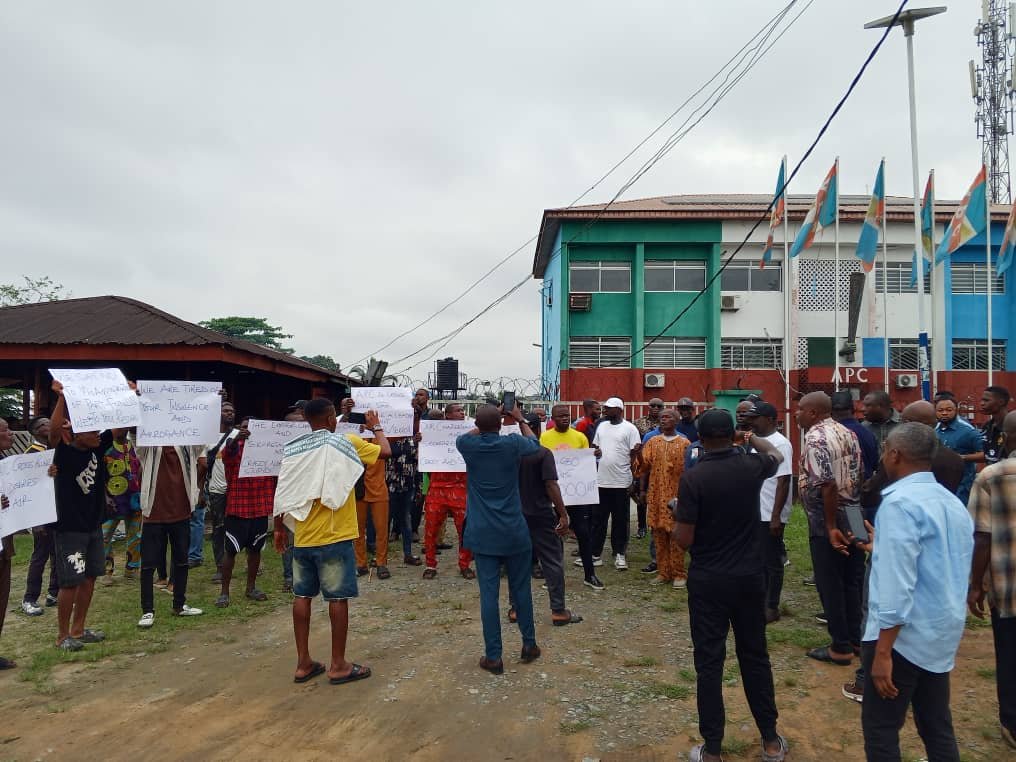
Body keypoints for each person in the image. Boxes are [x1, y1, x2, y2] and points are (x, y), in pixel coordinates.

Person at [675, 409, 788, 762]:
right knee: (755, 656)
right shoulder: (751, 467)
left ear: (701, 437)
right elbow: (777, 455)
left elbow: (683, 539)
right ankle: (770, 740)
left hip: (709, 580)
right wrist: (748, 437)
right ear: (733, 434)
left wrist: (678, 512)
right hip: (750, 578)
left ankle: (712, 749)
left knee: (709, 663)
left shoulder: (694, 478)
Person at [858, 423, 973, 761]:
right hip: (940, 631)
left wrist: (882, 654)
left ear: (895, 454)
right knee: (936, 725)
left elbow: (897, 586)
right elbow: (939, 561)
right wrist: (883, 548)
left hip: (900, 640)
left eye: (885, 451)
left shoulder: (900, 505)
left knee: (881, 730)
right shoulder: (950, 503)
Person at [273, 399, 388, 685]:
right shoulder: (345, 442)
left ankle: (303, 663)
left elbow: (284, 485)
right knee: (337, 598)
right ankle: (338, 664)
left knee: (302, 596)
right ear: (330, 418)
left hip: (302, 534)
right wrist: (376, 427)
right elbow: (385, 451)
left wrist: (278, 527)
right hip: (335, 536)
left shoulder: (295, 447)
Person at [456, 404, 543, 674]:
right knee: (521, 591)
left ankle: (493, 656)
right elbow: (535, 444)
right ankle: (529, 645)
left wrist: (487, 421)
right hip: (514, 531)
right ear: (502, 423)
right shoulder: (513, 443)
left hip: (483, 533)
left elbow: (469, 435)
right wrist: (517, 419)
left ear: (479, 425)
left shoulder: (467, 445)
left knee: (489, 597)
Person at [797, 391, 864, 667]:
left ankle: (841, 647)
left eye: (800, 409)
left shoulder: (815, 438)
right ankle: (856, 637)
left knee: (830, 581)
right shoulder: (849, 432)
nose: (796, 413)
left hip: (831, 519)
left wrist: (830, 526)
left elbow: (827, 485)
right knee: (854, 578)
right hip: (855, 512)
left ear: (813, 412)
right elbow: (858, 474)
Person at [967, 409, 1016, 749]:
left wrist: (974, 585)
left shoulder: (992, 476)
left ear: (1007, 437)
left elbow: (982, 537)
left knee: (1009, 655)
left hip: (1007, 586)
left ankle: (1011, 723)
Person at [48, 380, 109, 651]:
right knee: (70, 581)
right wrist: (61, 398)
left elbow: (119, 426)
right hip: (69, 526)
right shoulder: (62, 454)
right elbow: (52, 431)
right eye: (92, 429)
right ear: (76, 433)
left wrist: (131, 397)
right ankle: (63, 636)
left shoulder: (97, 446)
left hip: (93, 525)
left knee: (90, 577)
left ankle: (79, 629)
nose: (98, 433)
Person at [512, 424, 581, 627]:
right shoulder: (543, 453)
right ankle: (558, 610)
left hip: (516, 514)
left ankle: (516, 609)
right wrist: (563, 514)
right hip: (541, 514)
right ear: (537, 431)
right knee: (552, 561)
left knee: (517, 562)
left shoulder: (510, 454)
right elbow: (551, 484)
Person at [136, 434, 206, 627]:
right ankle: (147, 611)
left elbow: (202, 438)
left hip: (181, 512)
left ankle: (179, 605)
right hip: (153, 513)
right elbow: (135, 437)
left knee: (181, 561)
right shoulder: (149, 445)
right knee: (149, 565)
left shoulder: (185, 445)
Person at [541, 404, 603, 591]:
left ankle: (589, 574)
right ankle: (553, 577)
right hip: (555, 495)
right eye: (560, 416)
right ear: (553, 418)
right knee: (555, 537)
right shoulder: (545, 437)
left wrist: (594, 455)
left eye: (567, 415)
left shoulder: (580, 437)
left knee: (583, 534)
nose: (565, 419)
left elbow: (586, 462)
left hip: (577, 495)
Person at [744, 402, 793, 623]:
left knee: (771, 561)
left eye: (756, 418)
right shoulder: (756, 443)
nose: (751, 421)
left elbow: (783, 481)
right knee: (756, 559)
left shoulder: (780, 444)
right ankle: (758, 599)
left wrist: (776, 517)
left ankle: (771, 606)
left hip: (769, 512)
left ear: (771, 419)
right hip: (755, 510)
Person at [634, 408, 689, 589]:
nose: (664, 420)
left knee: (675, 535)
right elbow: (641, 468)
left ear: (677, 420)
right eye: (661, 418)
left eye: (668, 417)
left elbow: (689, 473)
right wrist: (636, 456)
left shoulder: (684, 444)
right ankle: (663, 572)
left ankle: (679, 573)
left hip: (676, 497)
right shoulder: (653, 442)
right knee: (658, 534)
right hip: (656, 496)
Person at [422, 403, 475, 580]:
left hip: (460, 488)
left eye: (463, 410)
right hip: (437, 488)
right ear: (448, 415)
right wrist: (420, 441)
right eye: (458, 411)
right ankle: (430, 564)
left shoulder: (470, 432)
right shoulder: (434, 432)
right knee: (431, 528)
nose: (462, 413)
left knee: (464, 529)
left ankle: (464, 564)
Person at [591, 397, 641, 571]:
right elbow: (595, 448)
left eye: (609, 408)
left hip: (621, 482)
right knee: (599, 520)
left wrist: (634, 481)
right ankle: (595, 555)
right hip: (602, 481)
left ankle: (620, 554)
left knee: (620, 521)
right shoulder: (602, 426)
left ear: (619, 410)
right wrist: (596, 452)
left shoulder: (630, 428)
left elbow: (635, 457)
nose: (605, 410)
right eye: (605, 407)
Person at [21, 416, 58, 615]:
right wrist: (36, 519)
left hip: (58, 510)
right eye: (45, 424)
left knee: (57, 554)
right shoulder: (32, 454)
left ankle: (54, 592)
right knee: (40, 555)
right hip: (41, 513)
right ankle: (30, 598)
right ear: (36, 431)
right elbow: (29, 487)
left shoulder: (56, 449)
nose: (51, 425)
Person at [99, 427, 142, 585]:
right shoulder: (105, 448)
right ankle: (106, 571)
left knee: (135, 535)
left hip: (133, 498)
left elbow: (141, 469)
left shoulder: (134, 446)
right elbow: (99, 474)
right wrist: (104, 496)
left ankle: (132, 568)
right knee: (104, 536)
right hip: (111, 500)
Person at [199, 399, 235, 582]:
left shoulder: (238, 435)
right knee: (219, 529)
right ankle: (220, 567)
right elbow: (202, 464)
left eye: (232, 411)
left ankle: (249, 562)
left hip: (236, 491)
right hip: (216, 490)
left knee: (239, 527)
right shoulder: (208, 436)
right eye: (226, 410)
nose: (230, 413)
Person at [387, 397, 423, 568]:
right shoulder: (388, 436)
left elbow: (419, 462)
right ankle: (381, 558)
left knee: (406, 519)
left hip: (408, 484)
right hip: (390, 483)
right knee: (385, 520)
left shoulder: (417, 438)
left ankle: (408, 554)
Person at [934, 397, 982, 505]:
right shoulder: (935, 430)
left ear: (956, 411)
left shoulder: (968, 431)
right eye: (940, 410)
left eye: (949, 410)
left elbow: (985, 454)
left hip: (962, 486)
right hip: (939, 485)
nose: (944, 413)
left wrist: (961, 457)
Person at [632, 398, 664, 540]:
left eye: (659, 406)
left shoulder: (666, 422)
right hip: (643, 463)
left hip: (661, 464)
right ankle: (641, 527)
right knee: (641, 496)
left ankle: (656, 524)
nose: (656, 408)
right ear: (648, 407)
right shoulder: (638, 423)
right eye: (653, 405)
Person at [830, 391, 879, 480]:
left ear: (830, 411)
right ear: (853, 409)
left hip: (838, 489)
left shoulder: (829, 434)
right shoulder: (868, 434)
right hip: (865, 487)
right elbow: (875, 464)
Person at [1, 419, 18, 668]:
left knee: (2, 598)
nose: (10, 433)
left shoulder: (8, 464)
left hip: (4, 543)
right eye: (4, 430)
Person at [977, 385, 1011, 466]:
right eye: (982, 400)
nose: (982, 403)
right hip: (992, 476)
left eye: (986, 400)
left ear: (1001, 402)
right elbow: (987, 455)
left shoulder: (1012, 426)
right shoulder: (987, 426)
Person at [862, 390, 901, 454]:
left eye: (868, 405)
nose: (862, 409)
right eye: (864, 405)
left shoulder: (904, 424)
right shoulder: (864, 427)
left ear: (881, 406)